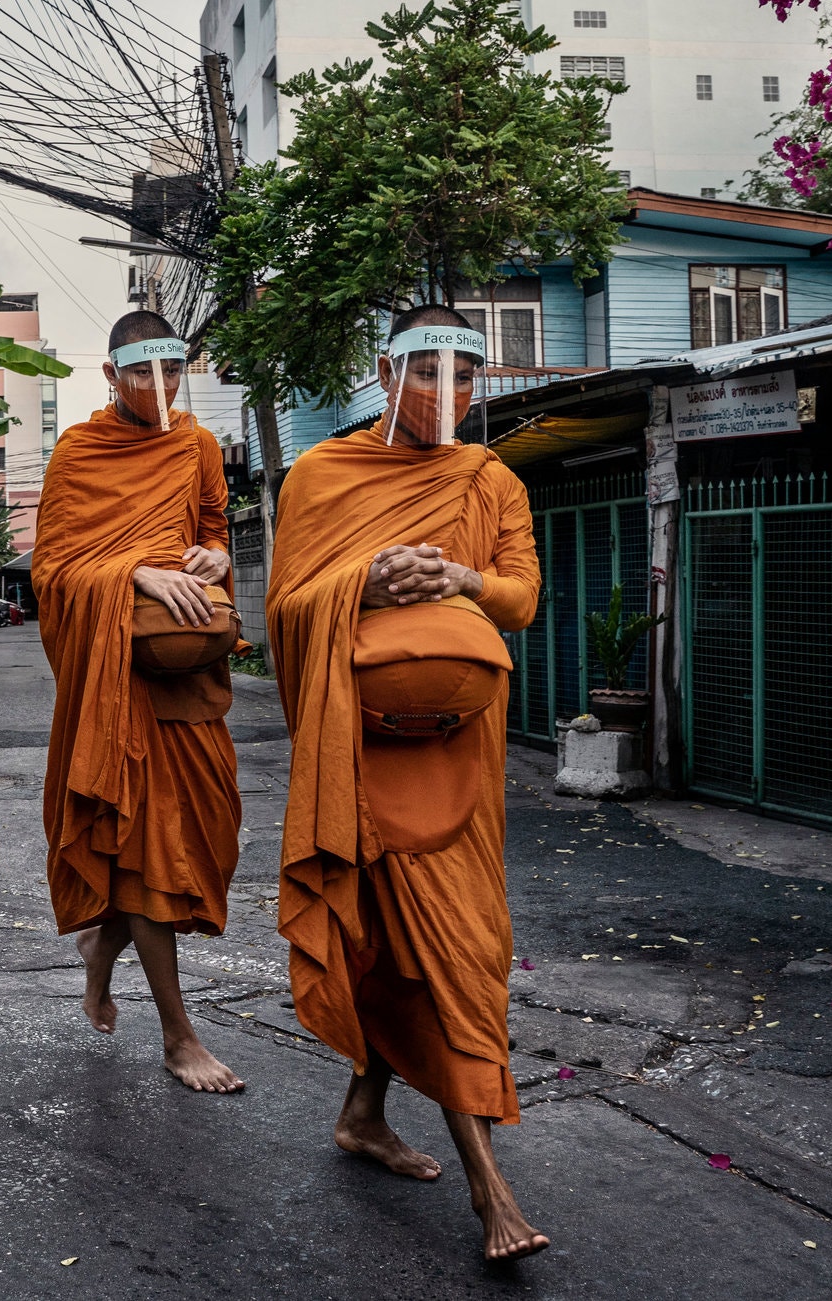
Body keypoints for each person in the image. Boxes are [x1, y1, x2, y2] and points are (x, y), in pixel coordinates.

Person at [266, 305, 548, 1261]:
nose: (448, 394)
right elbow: (289, 607)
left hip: (460, 753)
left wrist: (459, 579)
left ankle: (361, 1110)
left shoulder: (489, 477)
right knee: (416, 948)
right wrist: (366, 581)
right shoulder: (321, 474)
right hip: (362, 752)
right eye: (427, 374)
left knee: (460, 946)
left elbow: (522, 598)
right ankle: (489, 1192)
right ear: (385, 375)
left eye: (466, 376)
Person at [32, 310, 246, 1094]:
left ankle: (101, 950)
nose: (159, 390)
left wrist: (213, 555)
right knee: (153, 854)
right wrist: (132, 573)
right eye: (141, 375)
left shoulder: (197, 444)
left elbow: (217, 525)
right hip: (119, 678)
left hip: (189, 669)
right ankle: (178, 1033)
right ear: (111, 376)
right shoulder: (79, 450)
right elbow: (54, 569)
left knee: (209, 841)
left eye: (173, 374)